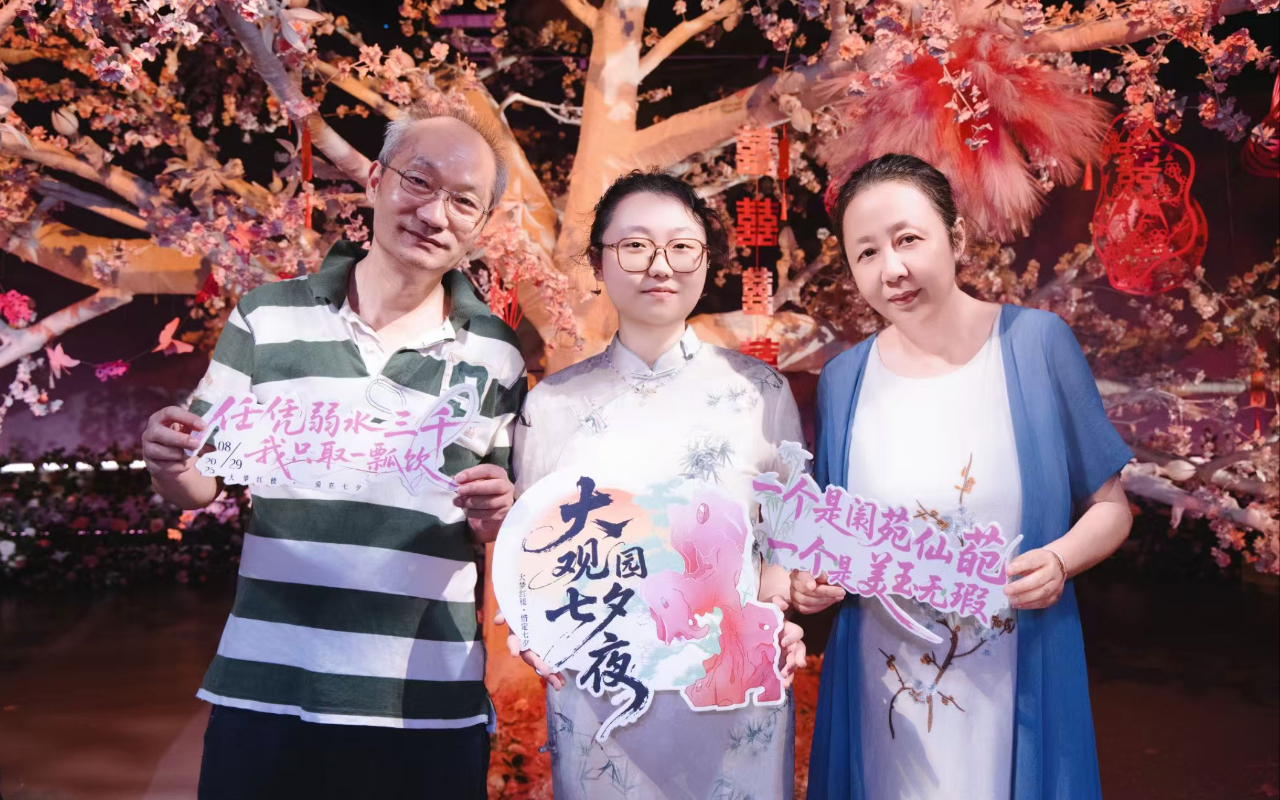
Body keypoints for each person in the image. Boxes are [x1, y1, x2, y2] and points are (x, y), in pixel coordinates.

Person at [140, 100, 527, 800]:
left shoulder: (497, 355)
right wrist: (170, 463)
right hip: (268, 682)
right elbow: (199, 481)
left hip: (423, 697)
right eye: (419, 181)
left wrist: (498, 512)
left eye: (464, 201)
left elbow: (492, 522)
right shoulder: (266, 316)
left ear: (481, 222)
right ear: (376, 180)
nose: (435, 213)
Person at [795, 154, 1134, 800]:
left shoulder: (1036, 345)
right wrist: (811, 581)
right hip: (883, 684)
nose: (891, 269)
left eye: (908, 239)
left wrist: (1060, 560)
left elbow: (1111, 506)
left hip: (1013, 672)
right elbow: (833, 537)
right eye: (866, 253)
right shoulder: (844, 380)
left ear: (955, 237)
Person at [506, 170, 807, 799]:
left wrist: (781, 611)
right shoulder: (553, 404)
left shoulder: (759, 392)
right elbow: (529, 554)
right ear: (599, 263)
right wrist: (529, 629)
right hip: (599, 690)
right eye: (635, 246)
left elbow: (785, 544)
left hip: (729, 693)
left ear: (706, 260)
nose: (660, 266)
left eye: (681, 247)